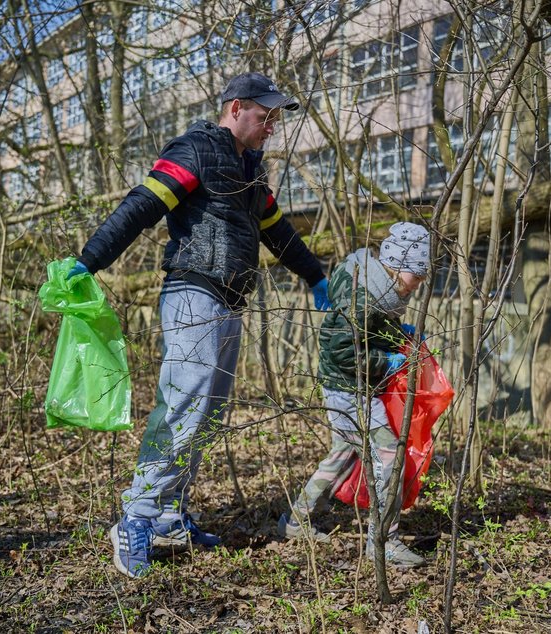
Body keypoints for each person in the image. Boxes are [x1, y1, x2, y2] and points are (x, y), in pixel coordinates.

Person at [69, 72, 331, 578]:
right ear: (236, 108)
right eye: (266, 116)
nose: (272, 126)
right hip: (193, 293)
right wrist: (92, 258)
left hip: (230, 301)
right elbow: (142, 204)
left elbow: (280, 235)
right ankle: (137, 517)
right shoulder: (196, 150)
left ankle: (168, 516)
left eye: (277, 118)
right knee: (183, 405)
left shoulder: (251, 172)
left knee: (207, 414)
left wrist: (316, 276)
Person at [278, 222, 430, 569]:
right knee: (390, 456)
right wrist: (387, 361)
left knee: (343, 453)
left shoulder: (377, 288)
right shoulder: (366, 296)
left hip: (347, 386)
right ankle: (384, 542)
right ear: (399, 267)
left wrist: (395, 333)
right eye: (417, 276)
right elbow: (345, 350)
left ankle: (296, 520)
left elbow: (366, 332)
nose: (418, 285)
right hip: (349, 389)